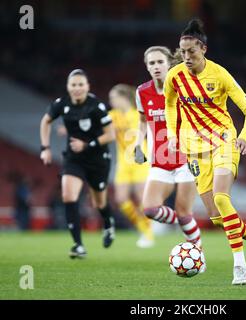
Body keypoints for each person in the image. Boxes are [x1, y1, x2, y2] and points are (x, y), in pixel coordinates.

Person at [164, 19, 246, 285]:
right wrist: (171, 134)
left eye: (191, 51)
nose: (186, 57)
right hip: (194, 150)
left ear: (203, 48)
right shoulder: (174, 76)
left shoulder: (220, 75)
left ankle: (240, 267)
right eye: (183, 51)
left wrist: (244, 138)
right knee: (216, 217)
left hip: (223, 140)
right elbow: (169, 105)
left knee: (222, 199)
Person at [40, 69, 116, 259]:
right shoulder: (62, 103)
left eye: (81, 84)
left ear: (87, 86)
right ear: (68, 87)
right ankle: (78, 245)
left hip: (98, 159)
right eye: (73, 85)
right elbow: (46, 121)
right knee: (68, 195)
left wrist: (87, 144)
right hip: (74, 159)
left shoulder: (96, 106)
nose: (77, 88)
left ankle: (108, 223)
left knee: (99, 202)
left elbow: (111, 134)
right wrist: (45, 148)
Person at [134, 46, 202, 249]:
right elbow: (142, 121)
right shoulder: (142, 92)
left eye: (159, 62)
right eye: (151, 63)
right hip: (160, 160)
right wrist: (138, 145)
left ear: (168, 64)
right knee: (150, 209)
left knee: (184, 211)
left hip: (186, 159)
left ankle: (198, 251)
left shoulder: (184, 88)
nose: (156, 66)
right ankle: (183, 221)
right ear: (147, 67)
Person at [108, 84, 154, 248]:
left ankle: (147, 233)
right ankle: (142, 227)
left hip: (140, 160)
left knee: (142, 198)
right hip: (123, 163)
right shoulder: (112, 116)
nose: (111, 101)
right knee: (121, 199)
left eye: (113, 97)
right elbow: (106, 133)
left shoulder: (138, 114)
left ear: (123, 97)